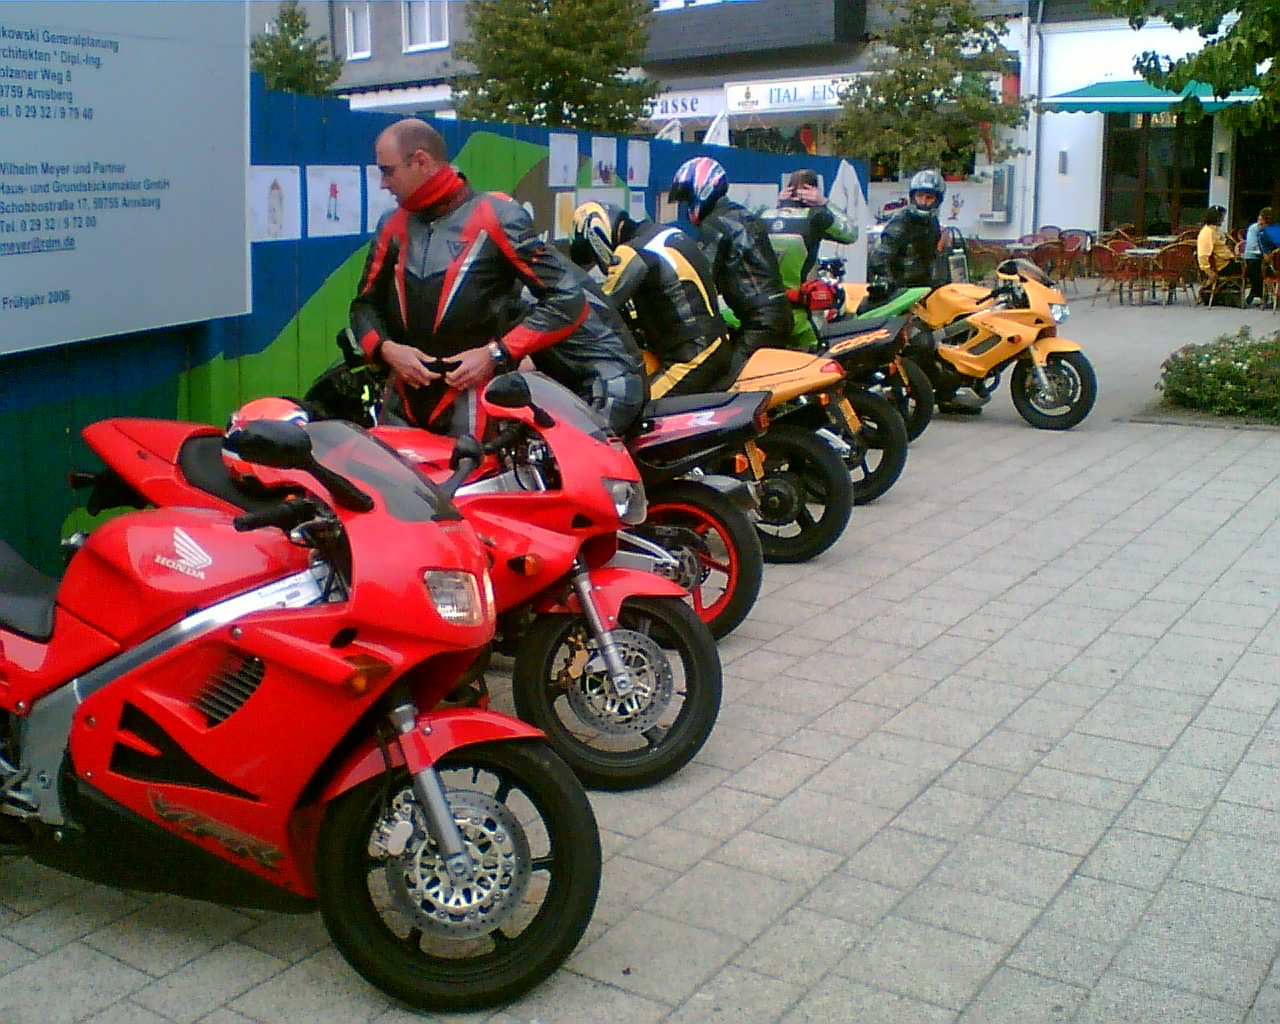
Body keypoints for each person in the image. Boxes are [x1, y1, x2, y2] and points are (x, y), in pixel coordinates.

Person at [350, 117, 644, 436]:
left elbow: (567, 299)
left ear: (420, 162)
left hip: (473, 403)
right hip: (402, 402)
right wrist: (387, 350)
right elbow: (363, 306)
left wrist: (496, 354)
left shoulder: (496, 215)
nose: (383, 184)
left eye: (387, 171)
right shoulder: (391, 225)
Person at [571, 200, 732, 398]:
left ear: (595, 232)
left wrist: (567, 323)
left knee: (633, 407)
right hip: (716, 346)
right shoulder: (666, 234)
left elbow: (601, 308)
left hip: (693, 359)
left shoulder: (631, 251)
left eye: (591, 252)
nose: (596, 261)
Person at [668, 157, 792, 372]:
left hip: (760, 323)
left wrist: (670, 298)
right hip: (773, 315)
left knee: (726, 380)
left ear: (703, 188)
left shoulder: (715, 224)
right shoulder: (741, 215)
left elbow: (700, 275)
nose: (687, 206)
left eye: (688, 198)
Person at [763, 169, 859, 350]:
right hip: (802, 316)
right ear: (813, 191)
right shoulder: (816, 217)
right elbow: (851, 233)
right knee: (818, 361)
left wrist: (780, 204)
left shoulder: (763, 216)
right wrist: (824, 202)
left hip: (765, 312)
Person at [865, 168, 946, 306]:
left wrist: (940, 283)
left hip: (922, 289)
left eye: (929, 198)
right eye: (920, 196)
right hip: (899, 293)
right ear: (913, 197)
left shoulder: (933, 223)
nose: (923, 202)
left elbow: (933, 258)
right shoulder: (901, 222)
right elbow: (878, 258)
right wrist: (888, 283)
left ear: (937, 200)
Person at [1196, 205, 1244, 305]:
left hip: (1227, 262)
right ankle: (1255, 294)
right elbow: (1203, 255)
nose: (1223, 219)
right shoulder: (1207, 232)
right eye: (1222, 217)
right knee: (1251, 268)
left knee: (1249, 265)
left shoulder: (1216, 230)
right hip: (1221, 266)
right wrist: (1209, 271)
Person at [1243, 206, 1275, 307]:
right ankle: (1262, 294)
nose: (1259, 222)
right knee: (1256, 269)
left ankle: (1258, 293)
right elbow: (1253, 245)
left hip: (1271, 259)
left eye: (1262, 220)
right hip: (1254, 257)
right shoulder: (1254, 229)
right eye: (1258, 219)